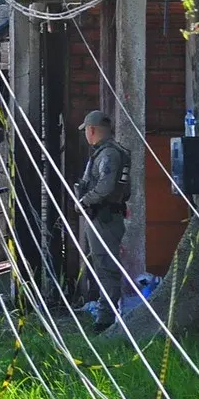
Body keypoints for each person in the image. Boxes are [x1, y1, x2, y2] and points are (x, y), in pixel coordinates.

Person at [76, 110, 131, 333]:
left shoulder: (108, 154)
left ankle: (105, 318)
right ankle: (105, 312)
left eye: (86, 131)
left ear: (91, 130)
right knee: (103, 265)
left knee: (106, 266)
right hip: (103, 216)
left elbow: (106, 186)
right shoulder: (109, 151)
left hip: (104, 217)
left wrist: (85, 200)